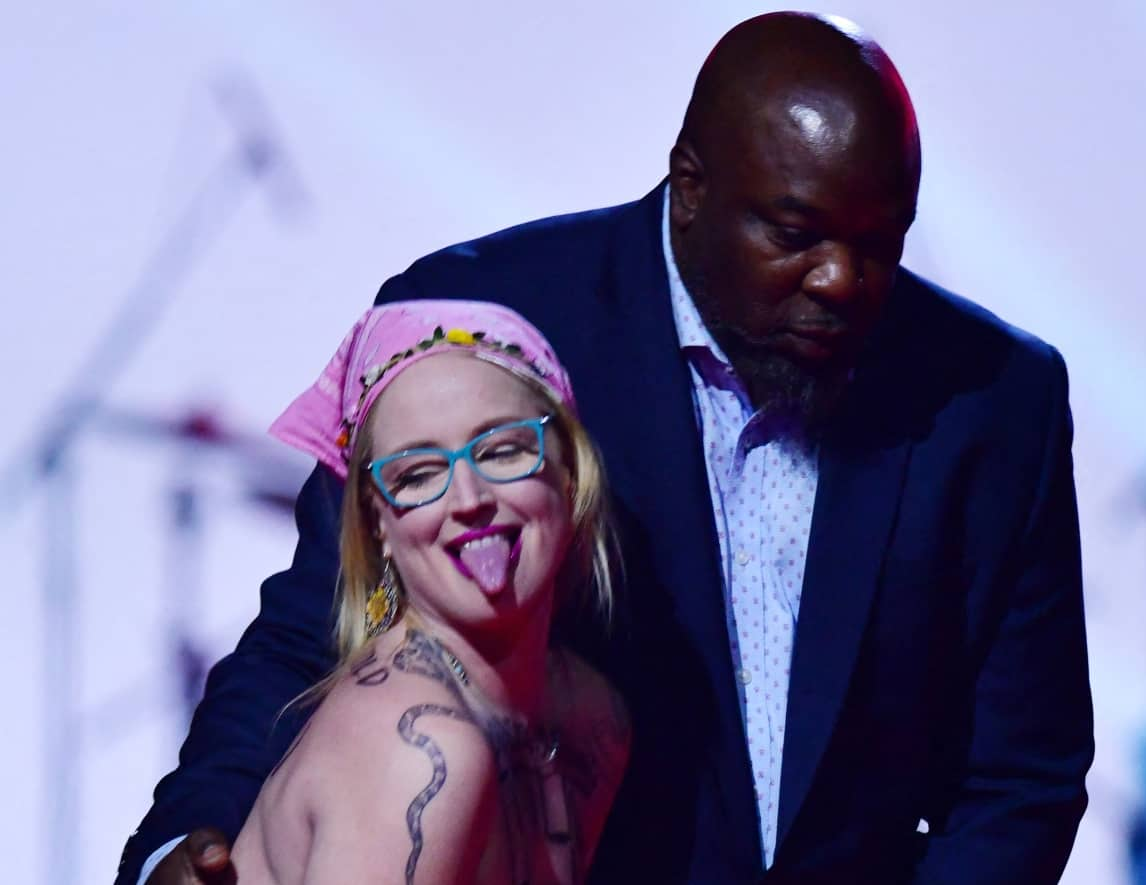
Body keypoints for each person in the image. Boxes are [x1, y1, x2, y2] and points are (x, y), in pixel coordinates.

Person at [121, 11, 1094, 885]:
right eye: (795, 233)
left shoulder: (995, 399)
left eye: (884, 241)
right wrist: (186, 838)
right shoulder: (486, 326)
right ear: (690, 185)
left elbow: (1021, 777)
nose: (842, 280)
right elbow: (311, 633)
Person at [230, 300, 630, 884]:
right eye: (417, 475)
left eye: (501, 450)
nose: (468, 498)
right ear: (378, 527)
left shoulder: (592, 716)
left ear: (567, 475)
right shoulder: (418, 753)